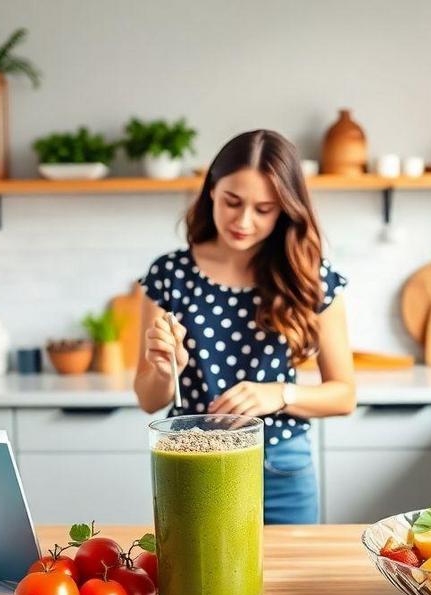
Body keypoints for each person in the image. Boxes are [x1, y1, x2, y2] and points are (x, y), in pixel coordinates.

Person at [134, 129, 356, 524]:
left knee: (291, 584)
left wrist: (279, 394)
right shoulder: (169, 273)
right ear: (211, 191)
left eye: (264, 209)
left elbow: (344, 395)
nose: (243, 221)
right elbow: (150, 400)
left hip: (280, 467)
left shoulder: (310, 277)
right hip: (191, 460)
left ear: (286, 209)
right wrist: (167, 370)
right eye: (232, 202)